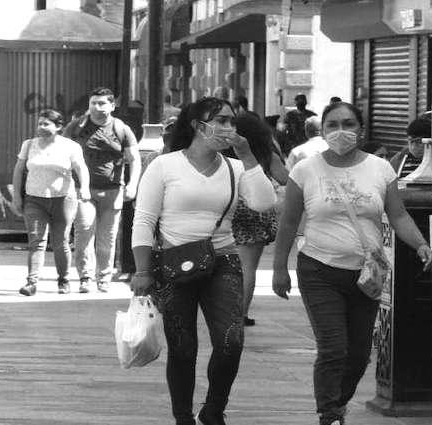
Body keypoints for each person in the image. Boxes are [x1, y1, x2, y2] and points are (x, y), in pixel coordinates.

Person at [271, 102, 432, 425]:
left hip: (367, 273)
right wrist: (279, 268)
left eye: (348, 124)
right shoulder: (305, 171)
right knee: (333, 348)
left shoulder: (380, 169)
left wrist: (420, 245)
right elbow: (289, 222)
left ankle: (338, 401)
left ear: (360, 129)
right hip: (319, 269)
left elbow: (398, 214)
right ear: (322, 131)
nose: (340, 131)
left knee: (359, 355)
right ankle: (330, 414)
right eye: (332, 125)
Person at [130, 97, 276, 425]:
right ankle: (183, 416)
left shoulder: (236, 168)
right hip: (173, 264)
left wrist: (248, 157)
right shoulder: (164, 165)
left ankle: (213, 410)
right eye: (220, 120)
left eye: (232, 121)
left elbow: (264, 202)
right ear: (198, 125)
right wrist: (142, 270)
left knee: (231, 342)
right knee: (183, 348)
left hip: (223, 262)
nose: (228, 127)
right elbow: (144, 220)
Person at [64, 87, 141, 294]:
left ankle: (104, 278)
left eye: (102, 103)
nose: (97, 107)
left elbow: (134, 159)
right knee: (84, 234)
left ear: (112, 105)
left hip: (113, 191)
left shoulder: (121, 129)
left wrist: (133, 184)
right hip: (83, 191)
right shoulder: (77, 127)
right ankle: (85, 277)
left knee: (107, 238)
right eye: (93, 103)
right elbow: (63, 153)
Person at [11, 110, 90, 296]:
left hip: (63, 199)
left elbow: (81, 168)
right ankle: (32, 282)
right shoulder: (29, 145)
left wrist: (85, 188)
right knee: (36, 241)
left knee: (60, 242)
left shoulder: (70, 146)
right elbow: (18, 170)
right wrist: (17, 196)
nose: (41, 127)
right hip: (34, 199)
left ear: (58, 127)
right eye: (39, 123)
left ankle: (63, 280)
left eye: (46, 124)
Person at [230, 113, 288, 327]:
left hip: (229, 207)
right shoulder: (266, 154)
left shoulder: (224, 152)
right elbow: (285, 179)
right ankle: (241, 314)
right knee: (247, 267)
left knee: (226, 265)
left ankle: (223, 311)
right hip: (256, 209)